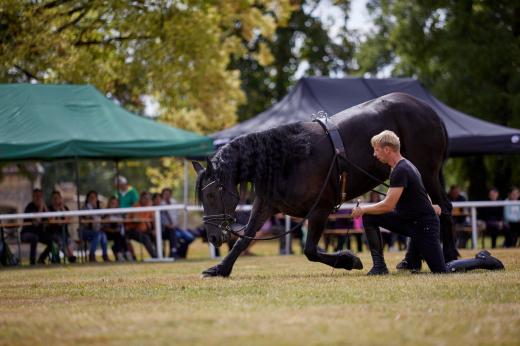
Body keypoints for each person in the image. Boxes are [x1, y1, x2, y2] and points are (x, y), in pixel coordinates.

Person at [351, 130, 504, 275]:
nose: (374, 154)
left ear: (387, 149)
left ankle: (482, 260)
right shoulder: (403, 166)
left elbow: (388, 205)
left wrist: (363, 209)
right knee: (370, 216)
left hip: (425, 226)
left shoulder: (401, 170)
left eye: (376, 150)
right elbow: (421, 194)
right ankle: (380, 267)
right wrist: (430, 206)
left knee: (441, 270)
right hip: (410, 221)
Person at [160, 188, 194, 258]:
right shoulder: (160, 204)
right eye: (165, 194)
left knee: (190, 237)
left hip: (176, 227)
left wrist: (176, 224)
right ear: (162, 195)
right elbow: (160, 219)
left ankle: (180, 253)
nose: (167, 196)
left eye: (168, 194)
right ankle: (173, 254)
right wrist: (167, 225)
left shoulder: (174, 202)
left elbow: (177, 215)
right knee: (176, 237)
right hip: (166, 229)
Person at [20, 189, 50, 265]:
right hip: (26, 233)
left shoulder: (43, 206)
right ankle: (32, 262)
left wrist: (44, 207)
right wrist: (41, 208)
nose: (38, 198)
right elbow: (37, 220)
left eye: (40, 196)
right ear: (33, 197)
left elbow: (51, 218)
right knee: (34, 238)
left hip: (39, 233)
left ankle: (41, 259)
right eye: (36, 196)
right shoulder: (29, 207)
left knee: (52, 241)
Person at [47, 190, 76, 263]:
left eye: (58, 198)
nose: (56, 200)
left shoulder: (64, 208)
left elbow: (69, 219)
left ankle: (70, 255)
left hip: (65, 233)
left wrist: (62, 209)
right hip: (53, 233)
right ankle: (70, 256)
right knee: (60, 241)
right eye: (54, 198)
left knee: (69, 241)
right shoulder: (49, 209)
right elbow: (50, 221)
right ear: (52, 199)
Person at [126, 191, 157, 258]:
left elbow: (154, 219)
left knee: (157, 235)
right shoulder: (136, 206)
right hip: (133, 230)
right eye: (145, 198)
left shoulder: (149, 207)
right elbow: (135, 220)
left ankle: (160, 255)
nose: (147, 200)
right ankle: (155, 257)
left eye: (149, 198)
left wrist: (154, 229)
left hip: (145, 230)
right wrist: (143, 220)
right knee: (145, 238)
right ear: (141, 199)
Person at [80, 190, 109, 262]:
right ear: (88, 198)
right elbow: (85, 220)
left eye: (94, 197)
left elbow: (104, 217)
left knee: (103, 235)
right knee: (98, 234)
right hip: (85, 231)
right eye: (91, 197)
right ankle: (91, 255)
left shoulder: (99, 207)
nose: (93, 199)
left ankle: (105, 255)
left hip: (96, 231)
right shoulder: (84, 208)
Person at [102, 196, 130, 261]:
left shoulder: (118, 212)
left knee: (120, 236)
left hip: (116, 232)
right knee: (118, 235)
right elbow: (103, 225)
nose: (113, 204)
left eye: (115, 203)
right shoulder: (105, 212)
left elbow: (121, 223)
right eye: (112, 203)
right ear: (109, 203)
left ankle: (123, 253)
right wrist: (111, 229)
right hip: (107, 232)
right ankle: (123, 254)